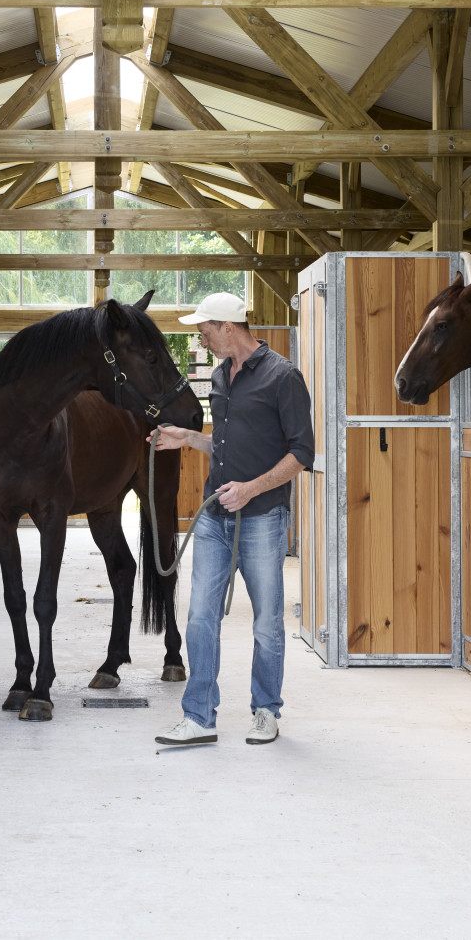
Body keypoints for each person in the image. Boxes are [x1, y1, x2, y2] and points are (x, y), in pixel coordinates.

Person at [151, 291, 313, 746]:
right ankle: (199, 717)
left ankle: (265, 710)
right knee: (200, 616)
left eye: (204, 332)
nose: (201, 341)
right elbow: (222, 445)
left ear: (227, 327)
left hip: (261, 518)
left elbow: (302, 453)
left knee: (266, 621)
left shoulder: (283, 377)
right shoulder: (220, 377)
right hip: (213, 519)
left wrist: (250, 489)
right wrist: (186, 437)